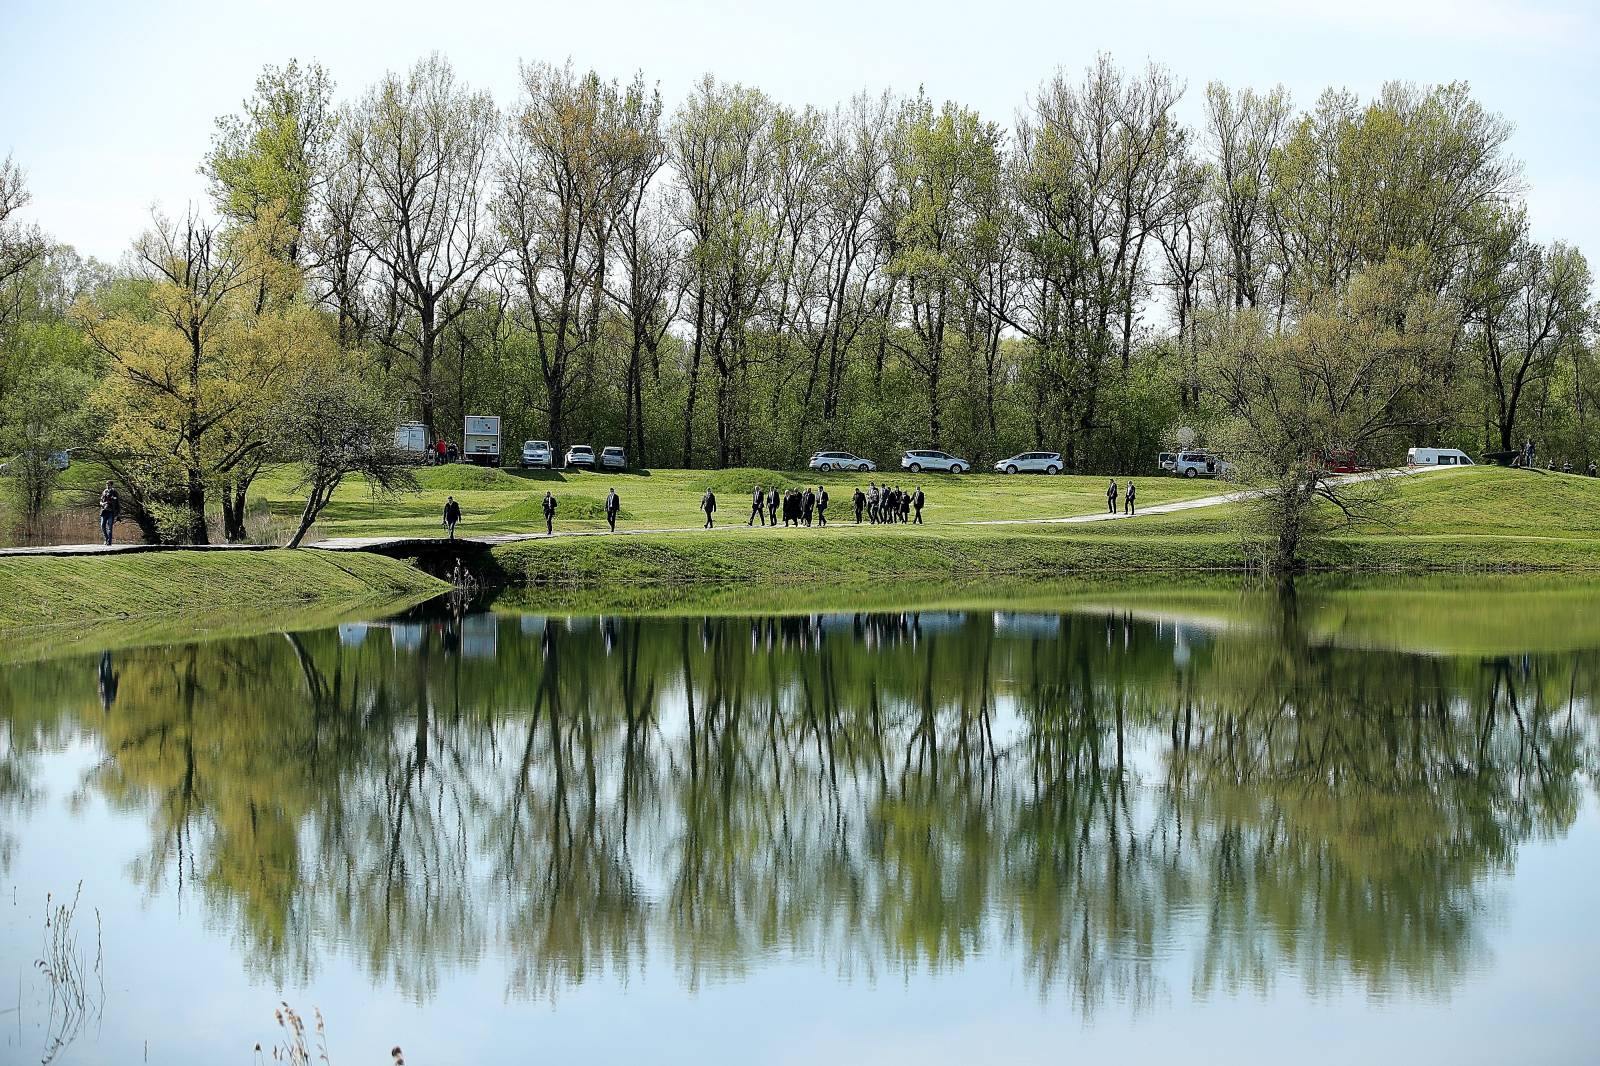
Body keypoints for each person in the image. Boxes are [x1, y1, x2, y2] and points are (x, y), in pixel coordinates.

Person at [98, 481, 120, 546]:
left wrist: (118, 513)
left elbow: (118, 503)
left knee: (110, 527)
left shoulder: (115, 492)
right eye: (107, 484)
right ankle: (106, 538)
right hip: (104, 511)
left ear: (112, 485)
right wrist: (102, 503)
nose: (107, 486)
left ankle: (109, 542)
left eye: (109, 485)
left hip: (111, 511)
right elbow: (100, 501)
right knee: (102, 525)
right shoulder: (104, 492)